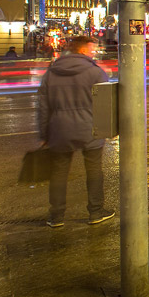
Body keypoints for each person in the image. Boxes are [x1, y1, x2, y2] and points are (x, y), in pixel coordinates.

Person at [36, 35, 113, 228]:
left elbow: (43, 107)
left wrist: (44, 135)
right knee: (94, 171)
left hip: (59, 129)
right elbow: (106, 104)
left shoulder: (52, 72)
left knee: (59, 173)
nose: (94, 51)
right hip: (90, 128)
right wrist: (109, 130)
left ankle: (56, 216)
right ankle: (95, 212)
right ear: (84, 49)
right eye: (92, 48)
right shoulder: (95, 72)